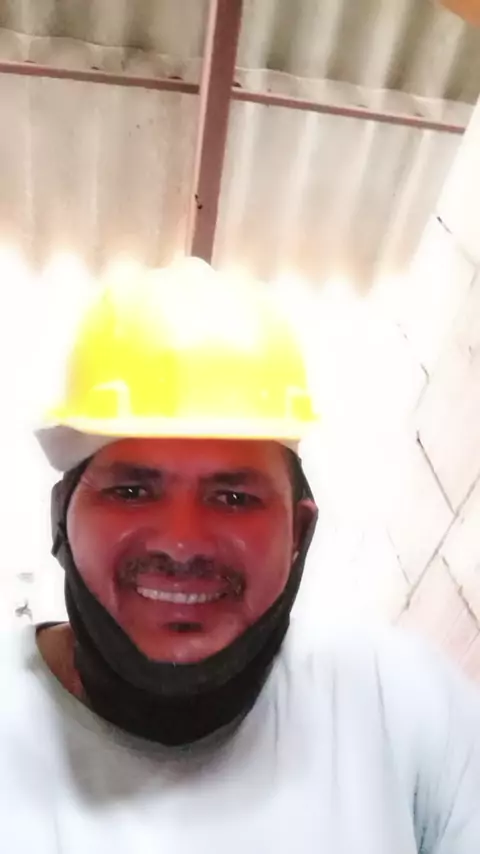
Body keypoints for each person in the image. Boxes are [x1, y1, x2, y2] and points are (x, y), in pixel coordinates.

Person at [1, 258, 478, 852]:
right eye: (131, 491)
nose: (180, 542)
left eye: (233, 498)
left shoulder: (403, 708)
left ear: (299, 531)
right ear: (62, 518)